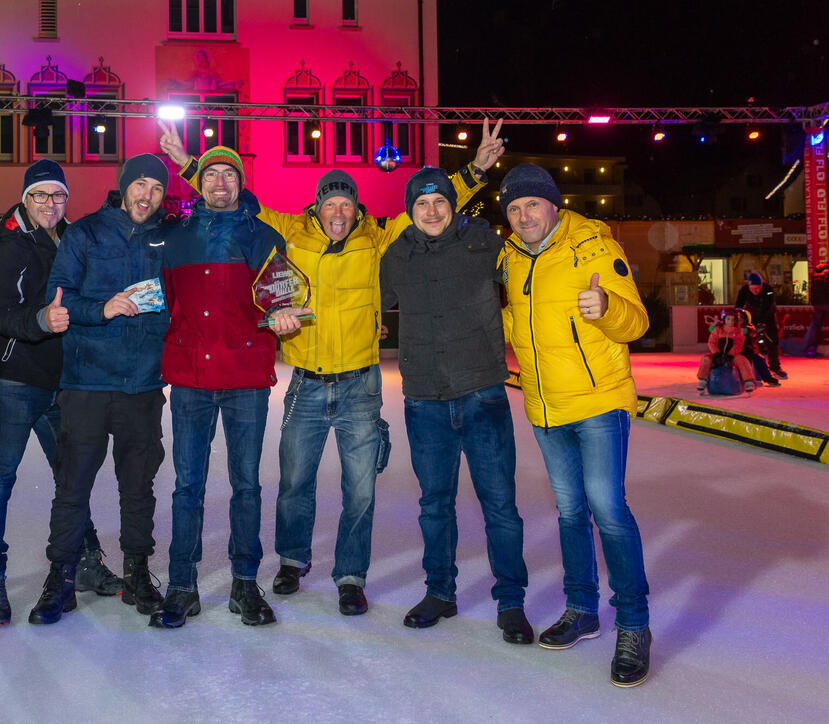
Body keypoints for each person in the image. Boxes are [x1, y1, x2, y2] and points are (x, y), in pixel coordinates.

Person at [160, 119, 504, 616]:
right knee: (295, 480)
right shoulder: (289, 230)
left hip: (360, 382)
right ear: (316, 206)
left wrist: (474, 171)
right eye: (329, 203)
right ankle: (292, 560)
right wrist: (187, 164)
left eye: (346, 204)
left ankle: (349, 575)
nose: (337, 212)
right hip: (305, 380)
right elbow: (230, 200)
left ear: (356, 208)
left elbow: (429, 212)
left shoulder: (378, 236)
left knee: (359, 489)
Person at [497, 163, 652, 687]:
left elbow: (638, 320)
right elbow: (515, 322)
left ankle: (633, 622)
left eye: (531, 205)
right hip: (544, 407)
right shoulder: (512, 259)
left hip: (598, 402)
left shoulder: (593, 246)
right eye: (514, 209)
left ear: (553, 204)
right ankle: (583, 608)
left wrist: (606, 305)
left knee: (607, 509)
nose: (523, 216)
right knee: (569, 512)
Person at [379, 167, 533, 642]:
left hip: (482, 393)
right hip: (424, 398)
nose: (431, 211)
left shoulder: (485, 244)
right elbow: (366, 306)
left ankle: (511, 601)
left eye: (440, 202)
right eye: (422, 204)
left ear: (453, 205)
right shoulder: (396, 256)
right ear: (411, 210)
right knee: (434, 505)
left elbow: (534, 272)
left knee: (500, 505)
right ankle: (440, 592)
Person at [0, 160, 121, 627]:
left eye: (58, 196)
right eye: (40, 196)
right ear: (25, 199)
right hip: (14, 380)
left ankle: (85, 560)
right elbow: (3, 313)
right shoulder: (13, 244)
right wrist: (41, 320)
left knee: (71, 478)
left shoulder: (70, 239)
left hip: (61, 382)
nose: (50, 205)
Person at [28, 155, 173, 625]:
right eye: (140, 185)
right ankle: (62, 577)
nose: (146, 195)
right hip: (86, 383)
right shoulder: (86, 232)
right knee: (72, 488)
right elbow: (60, 296)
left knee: (138, 487)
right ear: (124, 187)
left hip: (143, 387)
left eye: (155, 187)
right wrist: (103, 308)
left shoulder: (166, 237)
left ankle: (137, 572)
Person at [148, 146, 286, 629]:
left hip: (245, 378)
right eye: (212, 175)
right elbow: (160, 301)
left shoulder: (264, 236)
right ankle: (182, 586)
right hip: (191, 378)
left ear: (241, 182)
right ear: (198, 183)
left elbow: (280, 299)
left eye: (230, 174)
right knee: (188, 485)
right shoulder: (176, 238)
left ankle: (245, 585)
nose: (220, 183)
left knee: (246, 485)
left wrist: (284, 317)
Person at [735, 272, 787, 379]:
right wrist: (739, 319)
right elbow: (738, 306)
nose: (756, 291)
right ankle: (746, 366)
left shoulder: (768, 289)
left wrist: (762, 322)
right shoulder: (744, 290)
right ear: (749, 286)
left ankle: (775, 366)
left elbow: (769, 306)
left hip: (768, 317)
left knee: (772, 341)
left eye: (758, 288)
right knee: (747, 341)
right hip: (751, 316)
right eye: (753, 288)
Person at [697, 308, 757, 393]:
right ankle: (702, 380)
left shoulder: (738, 331)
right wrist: (716, 353)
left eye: (733, 319)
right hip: (717, 354)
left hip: (731, 356)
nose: (730, 321)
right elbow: (712, 342)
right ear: (724, 319)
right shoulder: (718, 329)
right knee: (706, 359)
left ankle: (748, 381)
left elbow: (738, 345)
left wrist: (731, 354)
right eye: (728, 319)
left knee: (742, 360)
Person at [798, 262, 828, 357]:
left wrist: (813, 303)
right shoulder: (827, 275)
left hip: (818, 305)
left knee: (815, 328)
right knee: (815, 327)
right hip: (827, 303)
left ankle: (811, 350)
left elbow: (811, 291)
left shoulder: (815, 277)